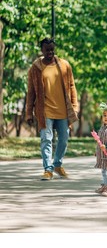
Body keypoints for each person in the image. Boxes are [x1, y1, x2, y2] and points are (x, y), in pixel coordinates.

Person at [25, 37, 79, 180]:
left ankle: (57, 164)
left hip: (63, 110)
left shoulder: (64, 65)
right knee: (46, 139)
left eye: (52, 49)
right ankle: (48, 169)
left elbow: (72, 86)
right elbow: (31, 92)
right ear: (42, 50)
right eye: (47, 49)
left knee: (64, 140)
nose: (50, 52)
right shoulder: (35, 68)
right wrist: (28, 113)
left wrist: (75, 107)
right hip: (45, 111)